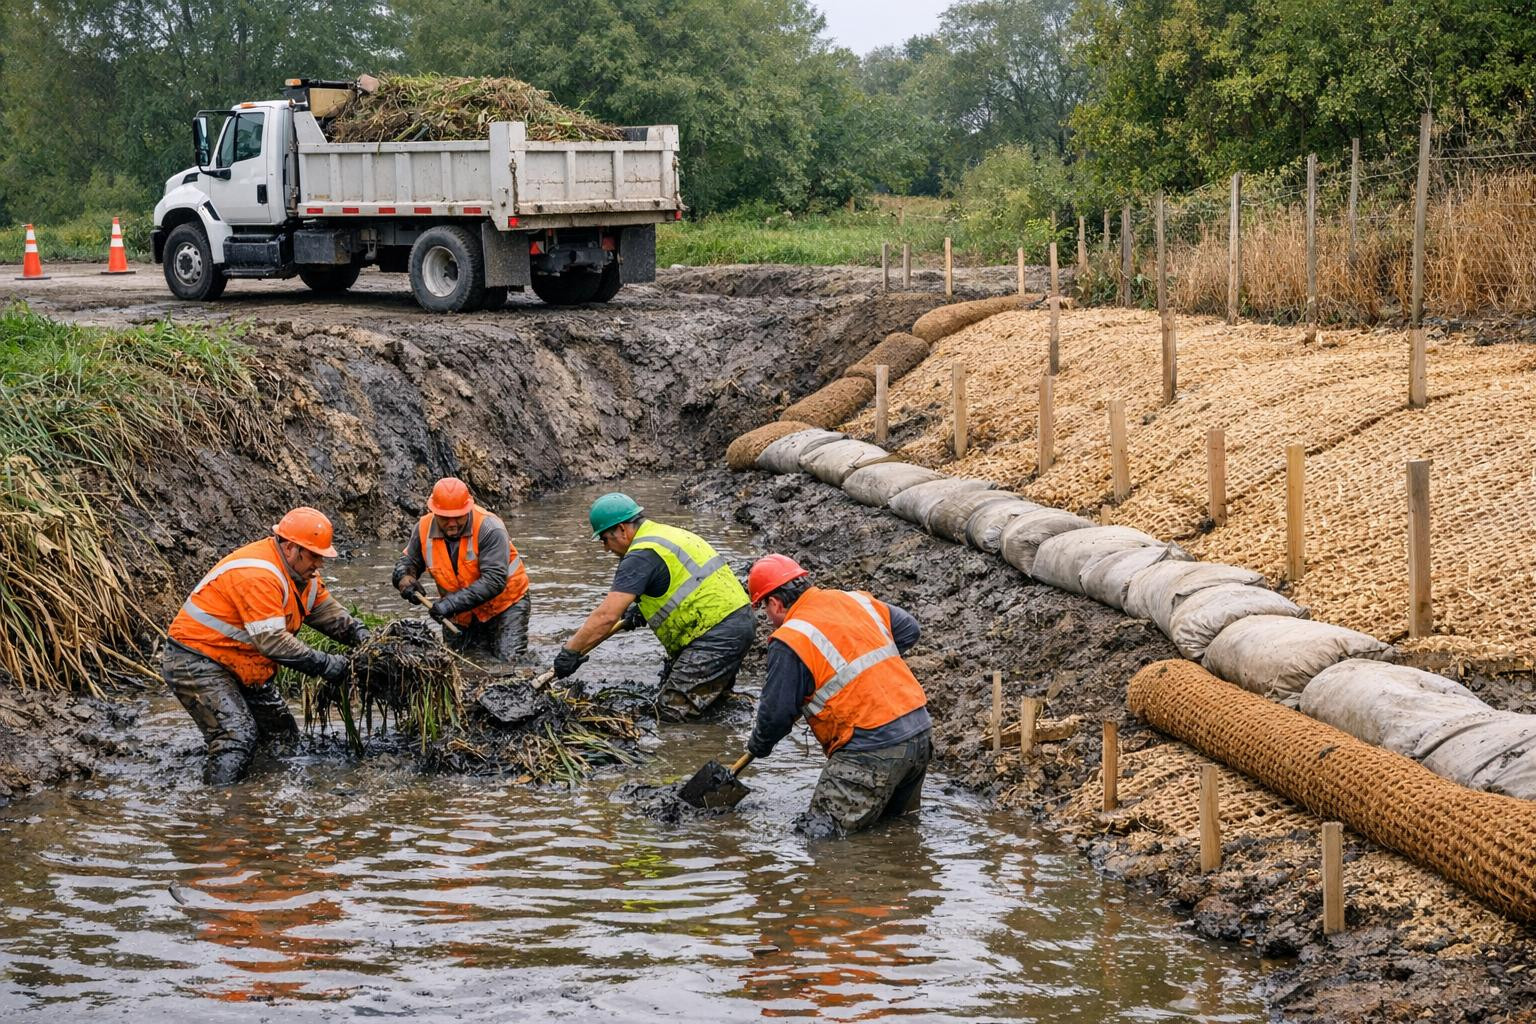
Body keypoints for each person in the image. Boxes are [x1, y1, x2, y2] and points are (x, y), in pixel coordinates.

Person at [164, 507, 371, 784]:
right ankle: (218, 805)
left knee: (281, 736)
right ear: (289, 548)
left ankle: (262, 790)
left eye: (322, 557)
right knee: (235, 735)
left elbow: (328, 613)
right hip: (196, 660)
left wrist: (363, 636)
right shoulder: (258, 574)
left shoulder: (303, 577)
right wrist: (327, 665)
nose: (319, 564)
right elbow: (273, 642)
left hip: (240, 663)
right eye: (314, 556)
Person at [744, 554, 932, 836]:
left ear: (775, 603)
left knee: (821, 838)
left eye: (764, 610)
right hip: (919, 732)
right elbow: (909, 630)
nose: (768, 619)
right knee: (898, 831)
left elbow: (776, 716)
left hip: (871, 747)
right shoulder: (855, 600)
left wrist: (759, 746)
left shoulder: (790, 637)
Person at [556, 492, 753, 720]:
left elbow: (606, 616)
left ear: (621, 529)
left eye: (605, 539)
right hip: (735, 622)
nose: (605, 548)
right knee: (712, 709)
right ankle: (716, 743)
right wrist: (642, 608)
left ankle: (685, 753)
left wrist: (570, 651)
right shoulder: (665, 534)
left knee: (671, 714)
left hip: (714, 635)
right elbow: (682, 582)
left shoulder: (640, 555)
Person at [391, 477, 531, 661]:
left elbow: (494, 581)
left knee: (509, 662)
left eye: (458, 517)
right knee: (459, 663)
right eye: (445, 518)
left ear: (468, 509)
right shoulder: (423, 528)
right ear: (434, 512)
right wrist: (404, 578)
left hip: (505, 606)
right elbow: (408, 562)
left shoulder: (490, 528)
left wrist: (449, 605)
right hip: (460, 614)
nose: (452, 524)